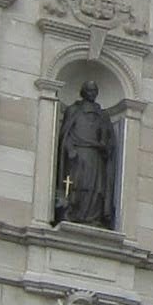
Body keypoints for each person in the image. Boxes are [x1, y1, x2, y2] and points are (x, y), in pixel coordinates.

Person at [53, 77, 120, 228]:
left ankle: (93, 217)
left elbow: (109, 139)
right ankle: (72, 213)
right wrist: (70, 148)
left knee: (95, 188)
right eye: (89, 90)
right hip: (77, 156)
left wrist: (105, 145)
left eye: (95, 90)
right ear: (83, 92)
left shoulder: (103, 115)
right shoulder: (73, 110)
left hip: (95, 157)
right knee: (76, 184)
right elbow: (66, 134)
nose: (92, 93)